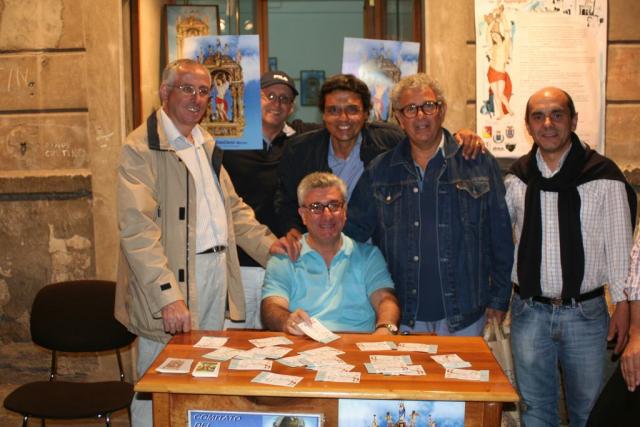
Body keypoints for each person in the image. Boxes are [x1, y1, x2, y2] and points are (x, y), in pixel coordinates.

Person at [114, 59, 295, 426]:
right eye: (187, 89)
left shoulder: (204, 142)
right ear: (165, 93)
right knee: (159, 380)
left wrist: (268, 246)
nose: (196, 99)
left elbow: (232, 209)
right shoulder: (141, 148)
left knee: (206, 372)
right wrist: (167, 295)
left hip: (215, 273)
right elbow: (138, 230)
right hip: (174, 278)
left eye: (203, 91)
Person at [505, 87, 637, 427]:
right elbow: (500, 240)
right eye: (538, 117)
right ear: (528, 126)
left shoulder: (603, 176)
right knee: (535, 412)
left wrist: (623, 308)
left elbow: (620, 249)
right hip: (529, 314)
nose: (548, 124)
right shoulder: (517, 179)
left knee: (590, 414)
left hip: (586, 316)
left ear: (573, 121)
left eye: (557, 115)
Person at [345, 73, 514, 336]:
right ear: (399, 118)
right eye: (410, 109)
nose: (420, 115)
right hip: (402, 314)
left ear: (442, 110)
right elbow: (351, 236)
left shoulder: (478, 163)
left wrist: (500, 298)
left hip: (467, 313)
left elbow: (501, 237)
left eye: (428, 106)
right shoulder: (380, 170)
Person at [275, 74, 484, 243]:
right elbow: (285, 202)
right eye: (333, 111)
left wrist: (460, 137)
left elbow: (423, 137)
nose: (343, 119)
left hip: (375, 255)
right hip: (319, 251)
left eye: (352, 110)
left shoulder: (389, 141)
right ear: (323, 115)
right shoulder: (300, 151)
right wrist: (292, 230)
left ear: (366, 114)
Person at [222, 70, 318, 329]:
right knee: (234, 339)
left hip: (287, 262)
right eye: (270, 96)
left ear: (292, 108)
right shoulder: (228, 143)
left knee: (281, 339)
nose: (277, 103)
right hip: (239, 264)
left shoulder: (302, 143)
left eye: (285, 99)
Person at [261, 172, 400, 334]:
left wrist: (385, 328)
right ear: (303, 215)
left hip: (358, 343)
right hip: (303, 342)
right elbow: (271, 307)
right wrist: (287, 320)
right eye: (316, 207)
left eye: (334, 205)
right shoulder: (284, 257)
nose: (327, 215)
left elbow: (385, 300)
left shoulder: (369, 256)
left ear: (345, 211)